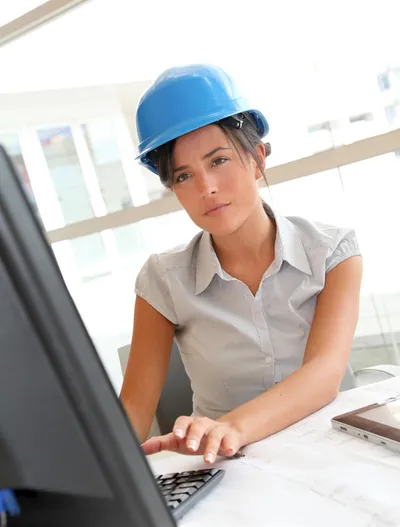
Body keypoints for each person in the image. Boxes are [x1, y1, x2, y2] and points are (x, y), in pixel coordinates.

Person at [121, 64, 362, 464]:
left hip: (331, 455)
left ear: (257, 158)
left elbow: (323, 374)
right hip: (226, 469)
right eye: (183, 176)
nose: (206, 188)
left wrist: (231, 426)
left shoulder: (333, 252)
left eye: (218, 161)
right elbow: (132, 412)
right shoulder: (162, 280)